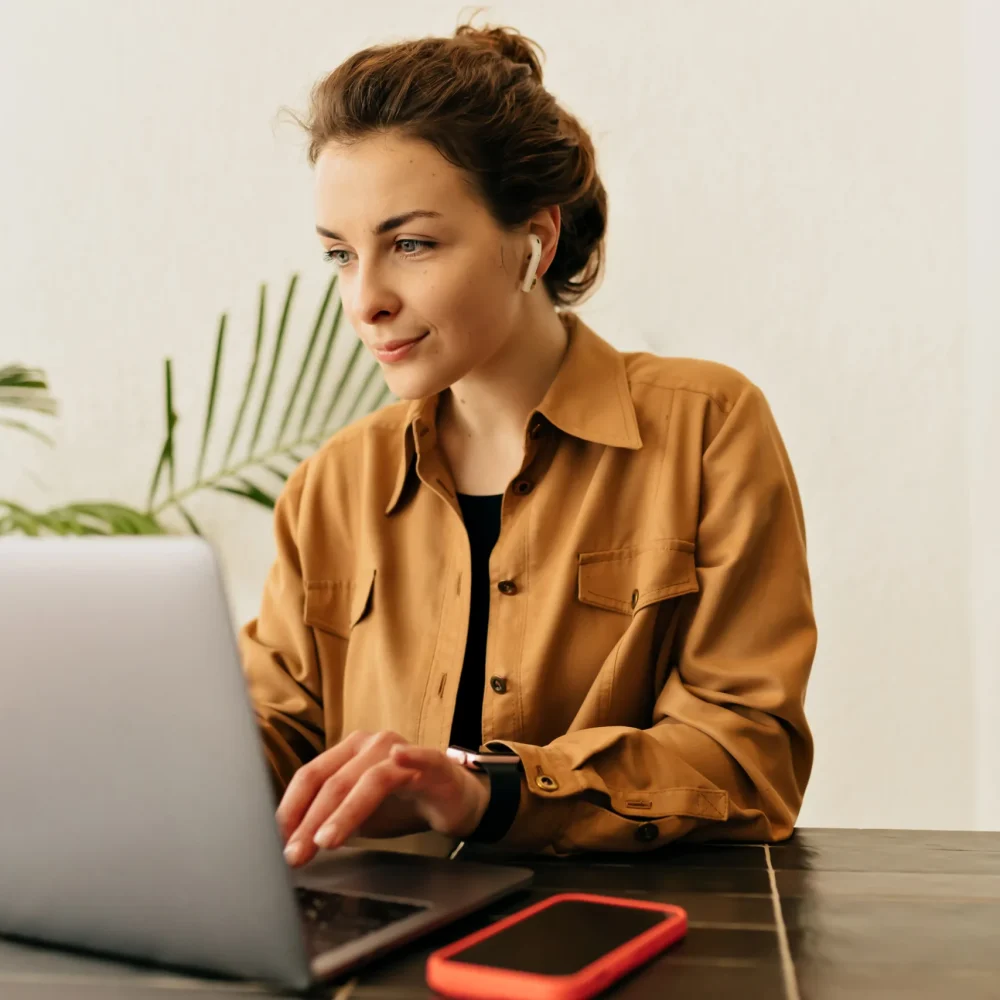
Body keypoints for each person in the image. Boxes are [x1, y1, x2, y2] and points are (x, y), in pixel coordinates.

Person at [239, 22, 816, 867]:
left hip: (622, 939)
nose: (365, 300)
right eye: (339, 255)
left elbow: (745, 758)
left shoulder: (708, 428)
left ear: (535, 243)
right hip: (376, 953)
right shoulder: (333, 483)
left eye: (411, 244)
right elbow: (274, 732)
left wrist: (483, 789)